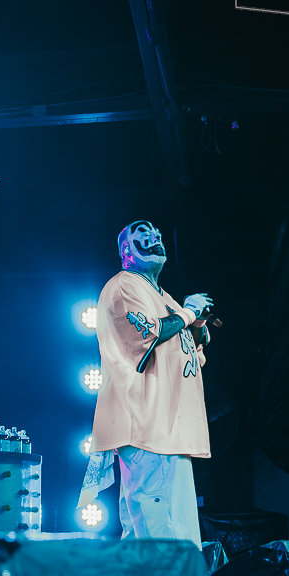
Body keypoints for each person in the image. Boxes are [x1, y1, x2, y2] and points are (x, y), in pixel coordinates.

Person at [78, 220, 213, 548]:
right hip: (148, 430)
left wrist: (196, 325)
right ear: (126, 250)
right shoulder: (124, 284)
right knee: (166, 538)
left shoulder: (165, 298)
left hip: (167, 433)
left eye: (158, 235)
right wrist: (188, 312)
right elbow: (150, 335)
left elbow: (188, 356)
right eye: (144, 235)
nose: (155, 238)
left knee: (156, 537)